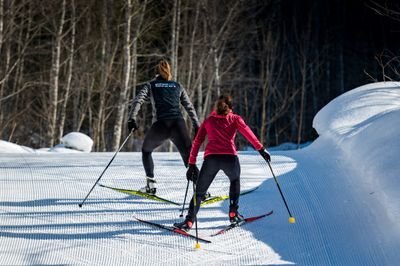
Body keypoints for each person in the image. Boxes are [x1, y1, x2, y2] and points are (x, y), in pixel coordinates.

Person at [173, 95, 271, 231]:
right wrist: (261, 149)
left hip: (211, 159)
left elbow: (197, 142)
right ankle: (233, 213)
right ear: (231, 108)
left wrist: (191, 163)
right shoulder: (235, 119)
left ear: (216, 107)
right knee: (235, 180)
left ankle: (189, 221)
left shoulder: (208, 121)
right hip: (230, 158)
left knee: (200, 192)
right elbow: (249, 134)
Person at [127, 59, 200, 195]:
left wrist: (132, 119)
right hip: (178, 124)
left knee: (146, 151)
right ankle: (201, 190)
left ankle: (151, 185)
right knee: (189, 158)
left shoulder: (151, 85)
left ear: (156, 74)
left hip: (161, 125)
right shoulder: (177, 86)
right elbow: (189, 106)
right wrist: (197, 124)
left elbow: (138, 100)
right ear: (169, 73)